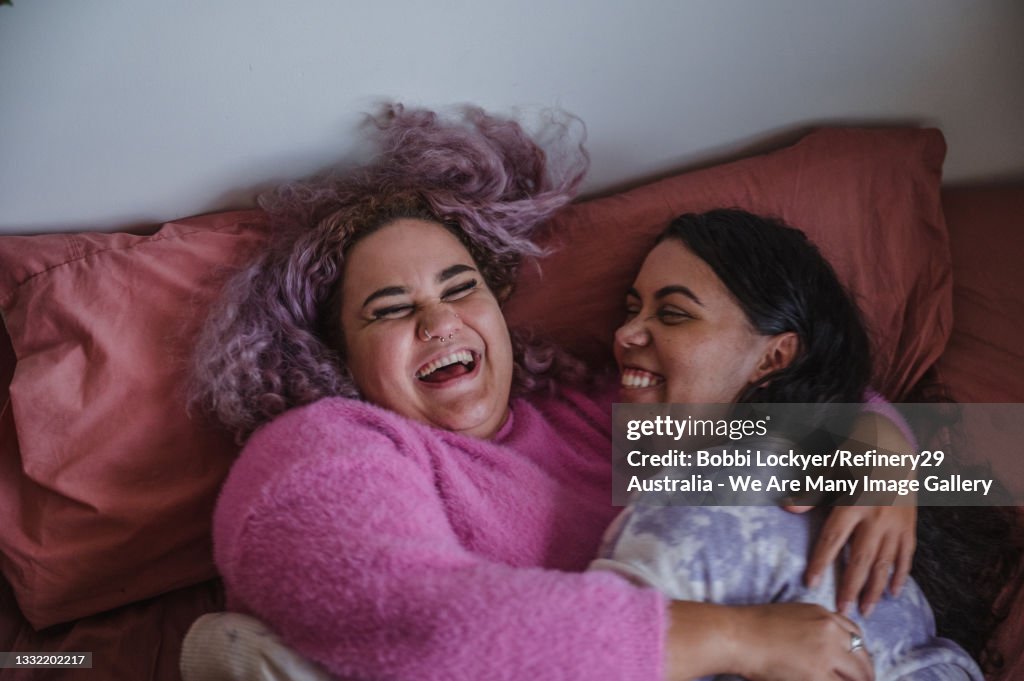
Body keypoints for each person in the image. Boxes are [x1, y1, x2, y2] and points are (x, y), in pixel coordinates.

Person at [187, 106, 914, 681]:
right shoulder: (323, 447)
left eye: (460, 288)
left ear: (499, 309)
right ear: (336, 354)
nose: (439, 322)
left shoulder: (596, 414)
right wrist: (737, 638)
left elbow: (771, 401)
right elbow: (424, 622)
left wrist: (881, 446)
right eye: (390, 309)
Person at [590, 209, 989, 680]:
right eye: (631, 309)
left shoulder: (706, 497)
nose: (624, 333)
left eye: (673, 314)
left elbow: (592, 655)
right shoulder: (811, 459)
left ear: (772, 358)